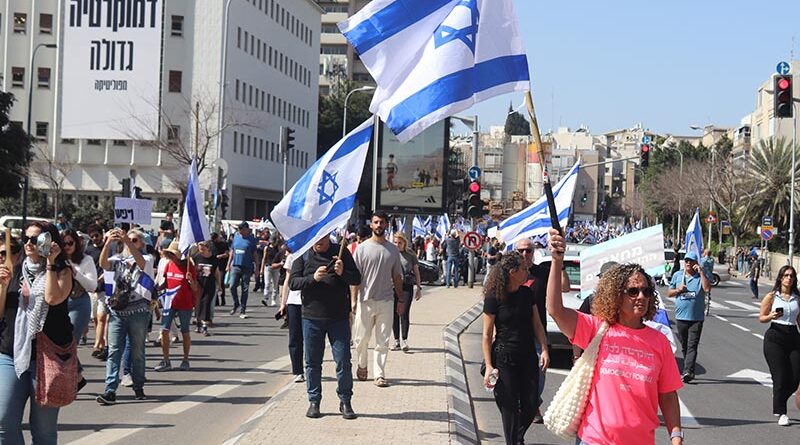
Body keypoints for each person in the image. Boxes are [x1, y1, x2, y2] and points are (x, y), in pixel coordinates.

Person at [545, 228, 684, 445]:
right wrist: (556, 262)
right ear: (617, 296)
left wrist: (676, 436)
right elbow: (555, 309)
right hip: (595, 439)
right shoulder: (596, 329)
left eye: (646, 292)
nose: (641, 297)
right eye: (633, 291)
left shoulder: (659, 342)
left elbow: (667, 394)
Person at [0, 223, 74, 444]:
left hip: (47, 358)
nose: (30, 243)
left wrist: (50, 263)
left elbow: (52, 298)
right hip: (10, 352)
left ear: (51, 243)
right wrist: (3, 286)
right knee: (3, 422)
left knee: (43, 430)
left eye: (36, 239)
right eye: (26, 239)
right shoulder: (13, 269)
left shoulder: (63, 271)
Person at [481, 252, 550, 445]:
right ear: (513, 272)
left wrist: (544, 348)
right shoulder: (493, 297)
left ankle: (516, 437)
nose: (527, 270)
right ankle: (513, 441)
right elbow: (486, 335)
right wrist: (488, 365)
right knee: (509, 407)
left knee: (531, 404)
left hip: (528, 355)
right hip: (504, 358)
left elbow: (537, 325)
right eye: (523, 268)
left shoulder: (527, 293)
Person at [290, 235, 361, 419]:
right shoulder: (303, 254)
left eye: (322, 237)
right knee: (312, 362)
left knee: (343, 360)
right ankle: (314, 401)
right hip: (311, 318)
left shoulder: (340, 251)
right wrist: (312, 278)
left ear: (328, 235)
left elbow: (356, 278)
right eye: (314, 238)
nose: (318, 242)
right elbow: (293, 283)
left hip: (338, 318)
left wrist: (343, 272)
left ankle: (345, 401)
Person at [96, 228, 156, 405]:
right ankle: (110, 389)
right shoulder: (117, 260)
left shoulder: (147, 258)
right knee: (114, 351)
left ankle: (138, 385)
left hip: (138, 312)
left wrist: (127, 241)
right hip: (117, 312)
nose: (130, 242)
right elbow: (103, 264)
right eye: (128, 240)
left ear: (142, 243)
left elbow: (141, 264)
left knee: (137, 351)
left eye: (135, 240)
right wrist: (108, 242)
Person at [352, 212, 403, 388]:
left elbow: (397, 276)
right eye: (376, 222)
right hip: (365, 300)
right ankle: (362, 364)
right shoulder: (362, 249)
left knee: (383, 341)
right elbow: (355, 278)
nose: (379, 225)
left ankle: (379, 374)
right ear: (371, 225)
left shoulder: (393, 250)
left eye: (382, 222)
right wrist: (353, 300)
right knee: (361, 339)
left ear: (386, 225)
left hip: (386, 301)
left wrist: (401, 299)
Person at [758, 265, 800, 426]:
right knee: (780, 377)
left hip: (793, 337)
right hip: (775, 337)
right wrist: (771, 315)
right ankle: (781, 412)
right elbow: (761, 317)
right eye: (786, 275)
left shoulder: (797, 298)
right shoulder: (772, 296)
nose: (789, 278)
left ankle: (779, 397)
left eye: (792, 276)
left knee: (795, 378)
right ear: (781, 278)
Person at [155, 240, 198, 371]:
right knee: (164, 330)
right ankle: (166, 360)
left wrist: (191, 280)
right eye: (170, 254)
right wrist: (155, 290)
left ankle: (185, 359)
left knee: (185, 332)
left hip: (185, 303)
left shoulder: (189, 266)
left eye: (173, 254)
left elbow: (195, 288)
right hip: (170, 302)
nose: (171, 257)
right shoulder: (169, 265)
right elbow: (166, 283)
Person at [668, 251, 711, 383]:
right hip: (681, 317)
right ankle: (689, 367)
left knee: (692, 345)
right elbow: (669, 293)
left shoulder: (700, 277)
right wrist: (678, 290)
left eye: (691, 261)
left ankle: (687, 371)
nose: (688, 263)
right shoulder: (678, 275)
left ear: (696, 263)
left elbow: (707, 288)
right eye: (686, 261)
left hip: (696, 318)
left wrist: (702, 272)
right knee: (685, 346)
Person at [391, 233, 422, 352]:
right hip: (393, 286)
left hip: (406, 286)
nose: (397, 245)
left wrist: (418, 288)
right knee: (394, 314)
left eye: (400, 242)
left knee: (404, 312)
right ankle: (396, 340)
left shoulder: (410, 255)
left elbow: (417, 272)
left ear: (404, 242)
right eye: (395, 242)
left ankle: (404, 339)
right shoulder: (391, 253)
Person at [279, 248, 304, 382]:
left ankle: (312, 368)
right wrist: (283, 302)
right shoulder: (293, 256)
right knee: (295, 338)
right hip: (294, 301)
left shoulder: (317, 254)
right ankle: (298, 370)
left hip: (312, 302)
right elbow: (287, 280)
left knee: (311, 339)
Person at [85, 224, 109, 360]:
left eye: (97, 235)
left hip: (104, 288)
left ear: (101, 234)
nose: (95, 238)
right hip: (91, 289)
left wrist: (99, 280)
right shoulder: (88, 251)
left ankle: (97, 344)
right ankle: (102, 342)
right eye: (92, 236)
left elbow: (108, 267)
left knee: (101, 317)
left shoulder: (107, 249)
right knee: (96, 318)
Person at [226, 221, 259, 318]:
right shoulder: (236, 236)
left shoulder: (251, 239)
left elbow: (255, 255)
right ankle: (236, 303)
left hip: (247, 267)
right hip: (236, 265)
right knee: (232, 286)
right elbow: (232, 251)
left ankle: (242, 309)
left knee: (245, 289)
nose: (240, 231)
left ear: (246, 229)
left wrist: (257, 268)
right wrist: (228, 264)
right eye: (239, 229)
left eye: (241, 229)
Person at [193, 241, 221, 336]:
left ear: (208, 248)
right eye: (200, 249)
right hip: (198, 285)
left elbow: (217, 272)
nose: (201, 251)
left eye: (203, 249)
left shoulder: (214, 259)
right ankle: (198, 322)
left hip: (209, 285)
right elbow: (193, 270)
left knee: (206, 304)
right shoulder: (197, 258)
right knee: (198, 304)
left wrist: (219, 284)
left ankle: (204, 326)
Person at [261, 235, 283, 307]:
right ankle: (266, 298)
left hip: (276, 267)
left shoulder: (278, 249)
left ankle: (273, 299)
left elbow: (280, 255)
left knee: (275, 284)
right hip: (268, 266)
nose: (273, 243)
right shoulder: (266, 248)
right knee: (267, 283)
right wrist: (261, 268)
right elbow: (264, 258)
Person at [211, 232, 229, 306]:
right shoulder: (211, 245)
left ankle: (222, 298)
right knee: (213, 283)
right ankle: (216, 300)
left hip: (222, 266)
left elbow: (227, 254)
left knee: (220, 282)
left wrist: (220, 256)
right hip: (213, 265)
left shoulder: (223, 244)